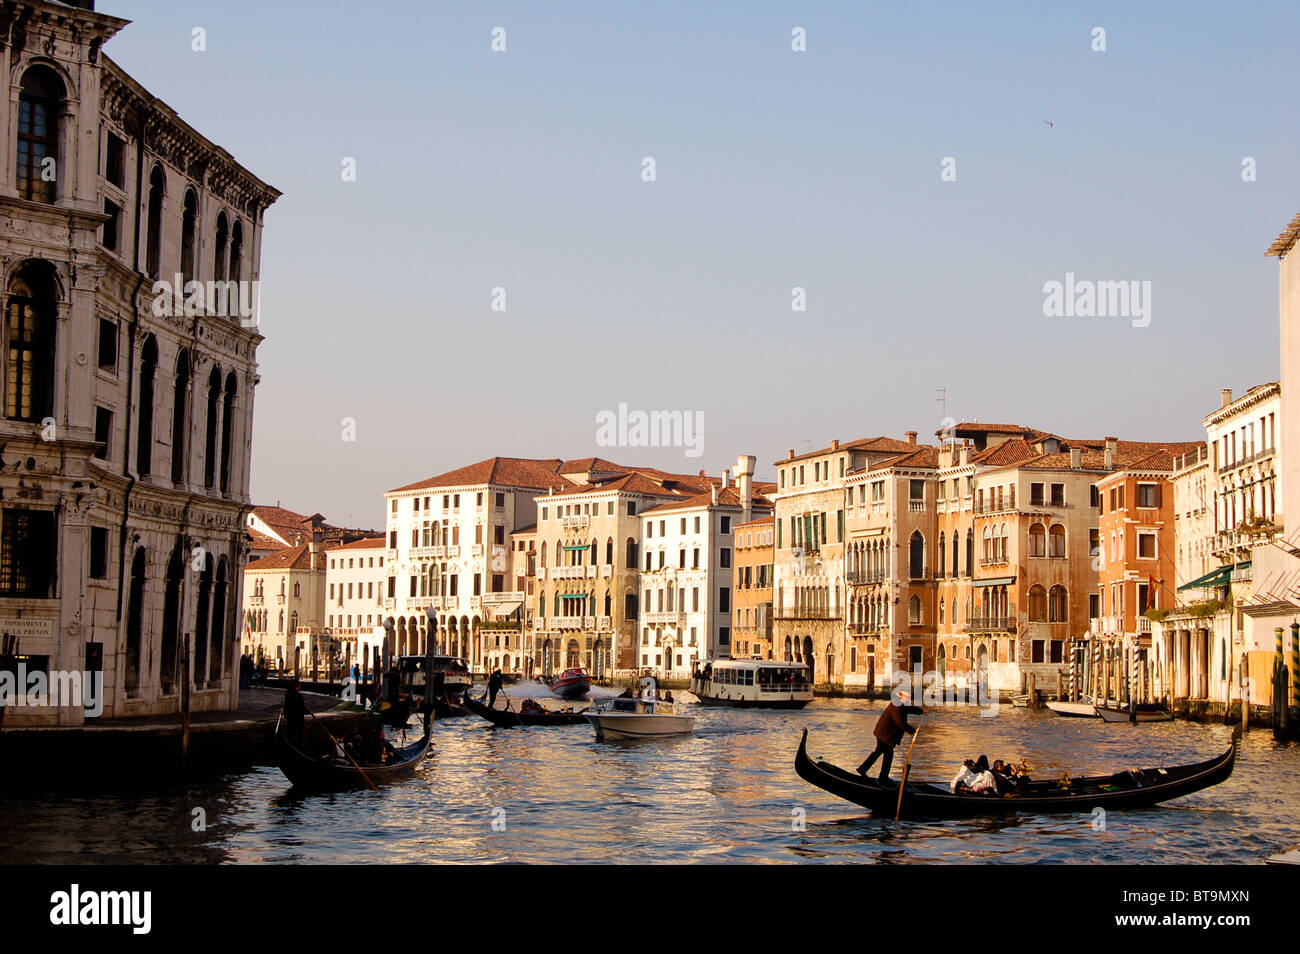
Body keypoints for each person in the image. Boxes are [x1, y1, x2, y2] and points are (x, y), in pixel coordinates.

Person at [857, 690, 923, 783]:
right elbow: (901, 723)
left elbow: (909, 709)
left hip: (883, 734)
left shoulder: (901, 705)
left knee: (879, 752)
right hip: (885, 735)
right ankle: (882, 777)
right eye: (907, 699)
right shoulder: (897, 707)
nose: (909, 701)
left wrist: (921, 711)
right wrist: (914, 730)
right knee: (888, 755)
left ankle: (863, 769)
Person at [283, 679, 307, 748]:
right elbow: (300, 707)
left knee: (291, 733)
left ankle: (292, 746)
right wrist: (307, 711)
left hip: (290, 717)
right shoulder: (298, 695)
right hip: (297, 718)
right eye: (299, 686)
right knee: (297, 734)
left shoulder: (287, 694)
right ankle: (297, 747)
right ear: (296, 686)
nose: (300, 687)